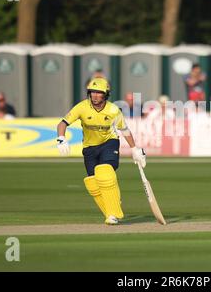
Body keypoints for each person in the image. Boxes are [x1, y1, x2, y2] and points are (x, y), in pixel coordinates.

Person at [56, 77, 146, 225]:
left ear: (106, 95)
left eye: (99, 93)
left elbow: (124, 130)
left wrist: (134, 149)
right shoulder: (82, 107)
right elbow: (62, 123)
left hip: (109, 143)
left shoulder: (113, 110)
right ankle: (112, 205)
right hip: (89, 148)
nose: (95, 96)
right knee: (93, 183)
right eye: (92, 92)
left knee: (104, 171)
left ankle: (113, 214)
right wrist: (61, 138)